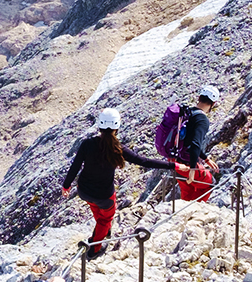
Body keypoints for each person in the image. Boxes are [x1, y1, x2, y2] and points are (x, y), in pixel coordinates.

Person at [61, 107, 171, 258]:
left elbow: (75, 166)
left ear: (99, 126)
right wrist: (173, 165)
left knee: (97, 210)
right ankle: (94, 249)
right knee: (106, 219)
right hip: (104, 196)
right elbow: (143, 161)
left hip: (84, 191)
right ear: (117, 127)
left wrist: (66, 185)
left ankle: (102, 232)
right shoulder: (118, 149)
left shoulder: (87, 144)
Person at [176, 86, 219, 201]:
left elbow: (187, 140)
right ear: (213, 103)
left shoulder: (187, 112)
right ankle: (195, 210)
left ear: (199, 98)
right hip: (187, 164)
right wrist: (193, 170)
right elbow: (195, 144)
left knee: (187, 190)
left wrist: (205, 159)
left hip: (176, 162)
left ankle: (183, 214)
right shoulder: (202, 119)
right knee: (209, 184)